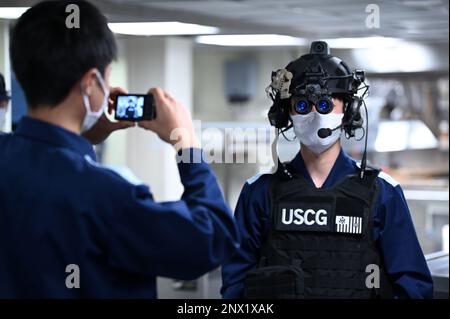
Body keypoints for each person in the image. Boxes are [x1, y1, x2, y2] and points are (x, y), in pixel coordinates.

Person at [0, 0, 239, 298]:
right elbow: (213, 239)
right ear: (90, 83)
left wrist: (82, 140)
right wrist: (186, 143)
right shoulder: (108, 195)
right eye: (107, 77)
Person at [221, 41, 433, 299]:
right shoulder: (259, 192)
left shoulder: (382, 192)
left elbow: (414, 287)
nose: (314, 115)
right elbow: (235, 285)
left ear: (348, 109)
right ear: (286, 113)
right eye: (302, 105)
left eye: (325, 104)